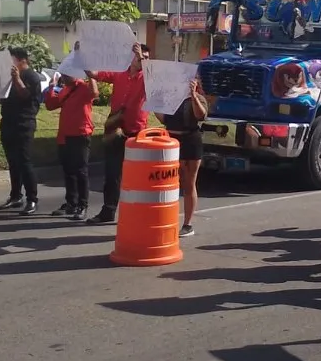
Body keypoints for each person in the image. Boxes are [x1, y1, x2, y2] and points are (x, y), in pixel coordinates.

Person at [85, 43, 150, 224]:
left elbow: (154, 73)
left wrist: (141, 56)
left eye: (144, 57)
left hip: (136, 133)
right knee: (112, 174)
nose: (141, 59)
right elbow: (93, 73)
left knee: (136, 177)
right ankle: (108, 211)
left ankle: (136, 214)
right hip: (115, 129)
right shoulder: (120, 74)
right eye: (138, 56)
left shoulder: (148, 77)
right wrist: (82, 54)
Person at [157, 77, 209, 237]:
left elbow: (201, 115)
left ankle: (187, 224)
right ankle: (164, 220)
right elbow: (163, 118)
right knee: (169, 182)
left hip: (191, 140)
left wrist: (193, 96)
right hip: (172, 139)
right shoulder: (170, 98)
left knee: (189, 182)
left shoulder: (199, 98)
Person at [43, 70, 98, 220]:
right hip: (65, 135)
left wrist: (91, 75)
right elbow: (51, 105)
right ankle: (71, 203)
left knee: (81, 171)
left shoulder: (83, 87)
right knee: (69, 171)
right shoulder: (66, 89)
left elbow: (94, 93)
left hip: (80, 134)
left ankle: (82, 205)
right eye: (63, 74)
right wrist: (51, 88)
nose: (64, 77)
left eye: (67, 74)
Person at [0, 47, 44, 215]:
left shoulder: (30, 75)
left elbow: (25, 94)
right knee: (13, 161)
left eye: (11, 58)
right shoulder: (9, 77)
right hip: (8, 121)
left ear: (20, 59)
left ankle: (32, 199)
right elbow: (3, 99)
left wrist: (16, 78)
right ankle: (15, 195)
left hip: (24, 123)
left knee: (25, 161)